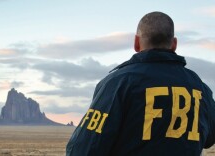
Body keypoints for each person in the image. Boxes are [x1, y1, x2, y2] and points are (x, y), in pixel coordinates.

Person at [66, 11, 215, 156]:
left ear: (136, 42)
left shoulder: (118, 83)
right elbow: (210, 137)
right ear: (174, 44)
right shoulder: (200, 88)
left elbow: (83, 149)